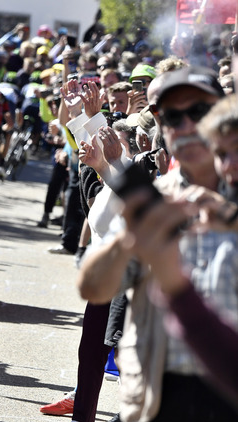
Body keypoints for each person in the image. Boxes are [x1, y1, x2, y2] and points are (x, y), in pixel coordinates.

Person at [76, 65, 238, 421]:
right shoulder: (155, 195)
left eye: (198, 112)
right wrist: (132, 239)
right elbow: (92, 286)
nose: (184, 127)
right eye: (171, 116)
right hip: (157, 398)